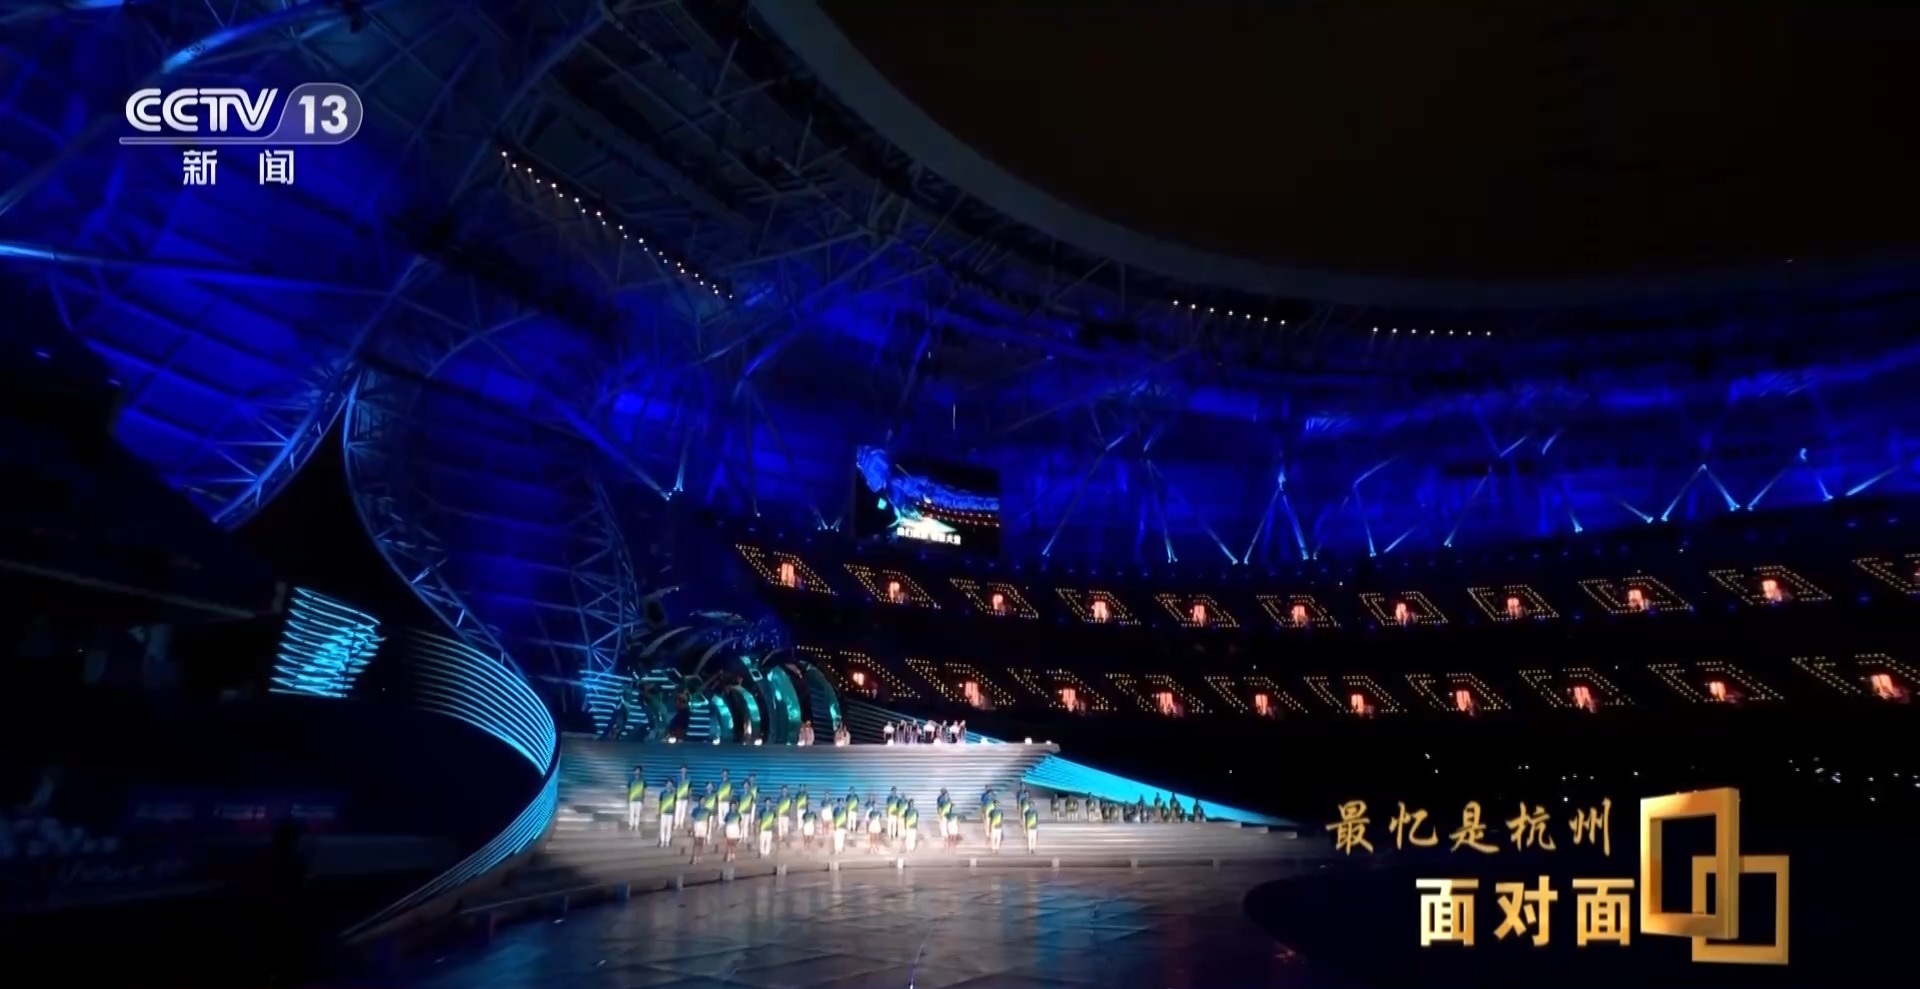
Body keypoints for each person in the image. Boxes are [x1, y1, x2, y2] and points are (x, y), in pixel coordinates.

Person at [656, 777, 677, 848]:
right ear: (666, 785)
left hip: (670, 813)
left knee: (669, 827)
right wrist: (659, 811)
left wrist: (674, 812)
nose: (669, 785)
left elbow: (675, 803)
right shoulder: (662, 793)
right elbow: (660, 803)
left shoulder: (674, 794)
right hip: (663, 812)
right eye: (668, 784)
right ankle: (662, 841)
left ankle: (667, 841)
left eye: (670, 784)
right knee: (663, 827)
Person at [689, 796, 710, 863]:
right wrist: (692, 828)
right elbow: (692, 819)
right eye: (701, 800)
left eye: (704, 801)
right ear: (699, 801)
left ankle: (699, 856)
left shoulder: (707, 810)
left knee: (701, 843)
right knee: (696, 843)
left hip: (704, 826)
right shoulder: (695, 809)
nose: (702, 802)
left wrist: (707, 829)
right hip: (697, 826)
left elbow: (708, 820)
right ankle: (694, 857)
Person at [627, 765, 647, 833]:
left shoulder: (643, 779)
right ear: (634, 771)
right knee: (631, 813)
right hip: (632, 799)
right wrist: (628, 798)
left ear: (640, 772)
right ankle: (631, 825)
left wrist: (643, 798)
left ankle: (636, 825)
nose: (637, 771)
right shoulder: (631, 779)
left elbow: (644, 789)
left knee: (638, 813)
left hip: (639, 799)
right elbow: (629, 789)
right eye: (636, 770)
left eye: (638, 770)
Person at [674, 766, 691, 833]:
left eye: (685, 769)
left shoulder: (688, 778)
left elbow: (690, 788)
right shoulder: (677, 778)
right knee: (678, 810)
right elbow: (675, 787)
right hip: (678, 797)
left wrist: (689, 796)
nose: (683, 770)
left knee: (683, 811)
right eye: (682, 769)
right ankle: (676, 824)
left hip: (685, 797)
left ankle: (681, 823)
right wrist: (675, 796)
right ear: (680, 770)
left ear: (686, 770)